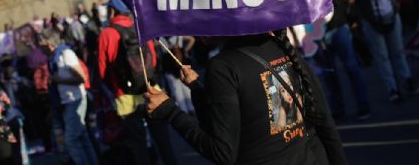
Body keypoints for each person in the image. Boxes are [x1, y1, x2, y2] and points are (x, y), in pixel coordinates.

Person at [145, 30, 347, 165]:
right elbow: (324, 123)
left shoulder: (223, 67)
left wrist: (169, 110)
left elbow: (222, 152)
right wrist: (198, 89)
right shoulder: (279, 47)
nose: (196, 31)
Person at [97, 0, 178, 165]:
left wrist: (113, 87)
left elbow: (102, 69)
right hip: (150, 88)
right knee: (163, 140)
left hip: (125, 96)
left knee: (137, 145)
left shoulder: (107, 33)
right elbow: (154, 60)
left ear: (112, 11)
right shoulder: (140, 27)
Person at [348, 0, 419, 102]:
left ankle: (407, 81)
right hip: (371, 20)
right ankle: (392, 88)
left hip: (391, 13)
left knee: (398, 51)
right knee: (382, 56)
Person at [38, 29, 98, 165]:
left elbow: (81, 78)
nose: (40, 49)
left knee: (71, 140)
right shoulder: (54, 57)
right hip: (66, 101)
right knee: (82, 137)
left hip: (75, 100)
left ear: (48, 43)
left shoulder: (66, 54)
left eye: (40, 45)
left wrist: (57, 80)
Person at [318, 0, 371, 120]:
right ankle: (337, 108)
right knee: (329, 74)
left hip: (337, 26)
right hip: (318, 32)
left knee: (352, 68)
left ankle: (363, 105)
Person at [160, 36, 195, 114]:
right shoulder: (178, 36)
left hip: (169, 68)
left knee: (177, 90)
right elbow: (192, 39)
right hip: (180, 66)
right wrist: (185, 50)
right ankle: (191, 108)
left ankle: (184, 111)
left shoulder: (161, 39)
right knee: (186, 88)